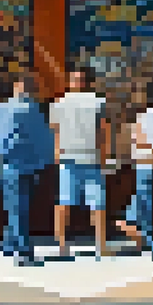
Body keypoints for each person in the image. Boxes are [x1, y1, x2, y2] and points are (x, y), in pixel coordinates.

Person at [50, 67, 110, 259]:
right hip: (91, 157)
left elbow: (55, 130)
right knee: (97, 204)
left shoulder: (58, 103)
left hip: (68, 157)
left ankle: (61, 245)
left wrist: (56, 153)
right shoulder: (98, 102)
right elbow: (103, 131)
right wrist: (105, 157)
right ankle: (100, 245)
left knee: (64, 203)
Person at [0, 72, 53, 265]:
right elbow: (43, 138)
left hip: (10, 164)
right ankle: (22, 251)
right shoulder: (31, 109)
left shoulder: (4, 108)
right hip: (27, 164)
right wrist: (46, 160)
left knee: (13, 206)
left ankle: (10, 245)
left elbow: (4, 139)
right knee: (21, 208)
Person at [116, 79, 153, 258]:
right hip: (152, 161)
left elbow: (139, 140)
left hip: (143, 161)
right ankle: (145, 240)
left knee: (143, 201)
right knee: (146, 202)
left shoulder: (144, 117)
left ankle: (137, 231)